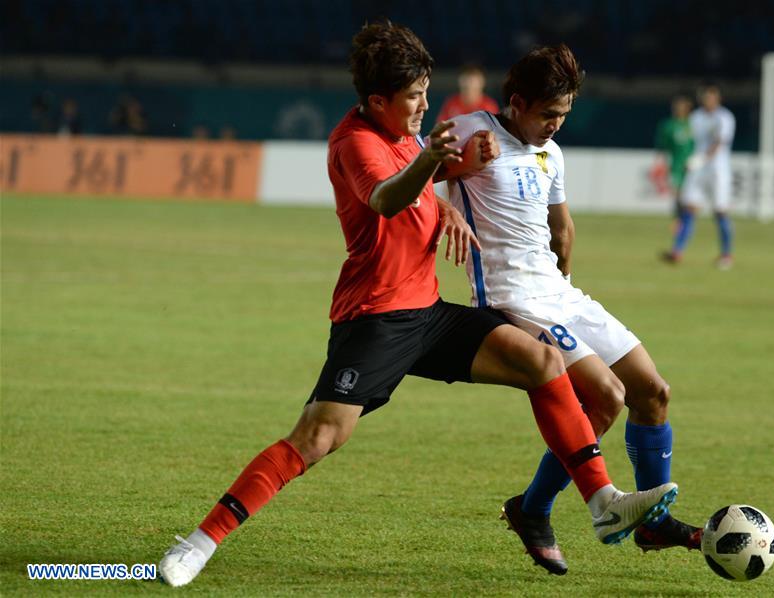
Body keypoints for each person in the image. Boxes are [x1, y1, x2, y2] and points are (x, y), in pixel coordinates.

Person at [157, 23, 677, 587]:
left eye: (426, 92)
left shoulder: (403, 132)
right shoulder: (355, 142)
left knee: (542, 360)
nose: (426, 106)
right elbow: (386, 198)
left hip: (429, 311)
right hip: (377, 319)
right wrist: (432, 164)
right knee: (318, 437)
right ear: (378, 100)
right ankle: (199, 542)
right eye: (414, 96)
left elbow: (420, 184)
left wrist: (446, 200)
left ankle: (602, 502)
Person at [442, 45, 701, 576]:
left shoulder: (551, 153)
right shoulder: (469, 130)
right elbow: (412, 172)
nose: (556, 125)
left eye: (564, 114)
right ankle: (533, 509)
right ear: (517, 103)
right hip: (511, 297)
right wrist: (448, 200)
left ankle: (651, 524)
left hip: (559, 293)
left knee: (653, 392)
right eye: (548, 114)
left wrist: (564, 280)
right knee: (605, 396)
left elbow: (562, 229)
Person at [661, 84, 736, 270]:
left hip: (717, 170)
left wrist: (701, 159)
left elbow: (719, 142)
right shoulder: (696, 117)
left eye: (711, 97)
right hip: (698, 170)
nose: (708, 100)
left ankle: (726, 254)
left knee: (720, 212)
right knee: (689, 209)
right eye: (705, 97)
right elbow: (689, 141)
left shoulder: (724, 117)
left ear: (718, 99)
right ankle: (677, 251)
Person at [651, 94, 693, 217]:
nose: (678, 109)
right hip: (676, 164)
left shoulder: (693, 124)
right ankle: (680, 220)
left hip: (694, 165)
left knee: (690, 196)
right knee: (678, 194)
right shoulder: (668, 125)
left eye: (681, 106)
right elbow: (661, 146)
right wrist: (659, 163)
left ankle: (686, 220)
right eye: (676, 106)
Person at [435, 64, 500, 123]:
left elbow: (495, 130)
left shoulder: (490, 106)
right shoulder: (450, 104)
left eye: (473, 81)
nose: (469, 84)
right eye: (466, 86)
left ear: (482, 84)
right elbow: (440, 127)